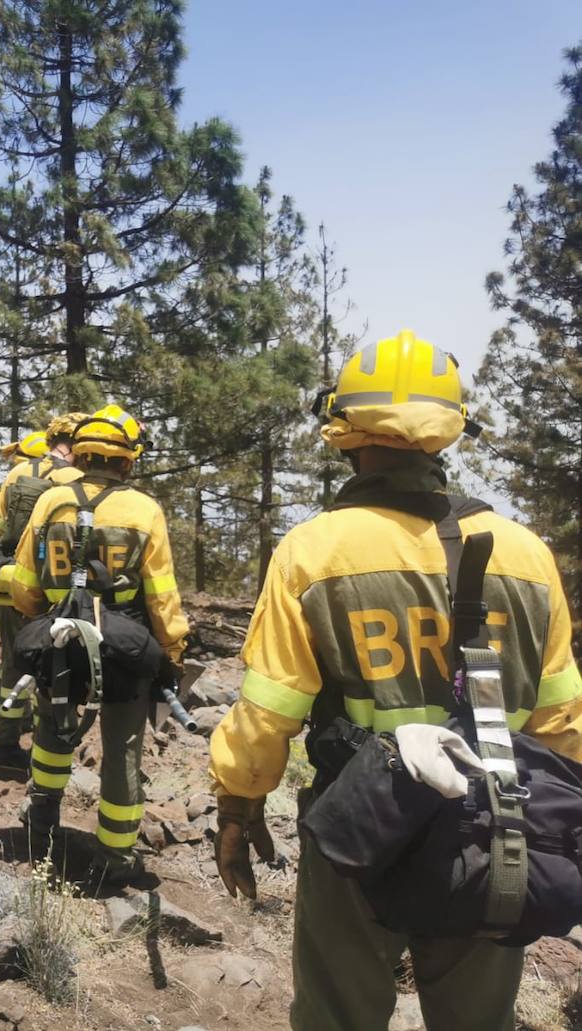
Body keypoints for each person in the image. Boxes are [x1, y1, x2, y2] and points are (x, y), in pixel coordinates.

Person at [208, 330, 582, 1031]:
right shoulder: (529, 556)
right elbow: (562, 724)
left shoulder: (314, 552)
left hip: (358, 831)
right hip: (493, 830)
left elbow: (266, 716)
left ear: (343, 430)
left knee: (337, 1018)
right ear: (451, 430)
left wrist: (239, 807)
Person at [12, 405, 189, 885]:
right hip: (124, 644)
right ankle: (115, 859)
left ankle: (41, 821)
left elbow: (25, 585)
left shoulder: (51, 502)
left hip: (59, 633)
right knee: (124, 747)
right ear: (128, 460)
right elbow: (162, 595)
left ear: (82, 453)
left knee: (51, 728)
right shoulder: (144, 510)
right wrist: (171, 653)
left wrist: (42, 620)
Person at [0, 418, 84, 765]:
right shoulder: (75, 479)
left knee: (13, 663)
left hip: (15, 584)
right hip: (58, 593)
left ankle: (7, 742)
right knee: (55, 671)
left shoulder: (18, 472)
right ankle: (46, 748)